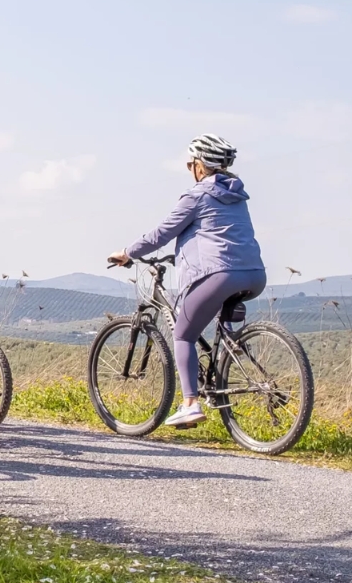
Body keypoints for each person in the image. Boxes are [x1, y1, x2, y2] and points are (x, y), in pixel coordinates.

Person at [108, 133, 266, 428]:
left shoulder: (197, 195)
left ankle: (190, 404)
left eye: (190, 163)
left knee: (183, 335)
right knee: (220, 324)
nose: (188, 168)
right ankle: (228, 357)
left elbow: (161, 234)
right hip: (255, 274)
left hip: (218, 275)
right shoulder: (237, 197)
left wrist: (128, 253)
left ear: (201, 166)